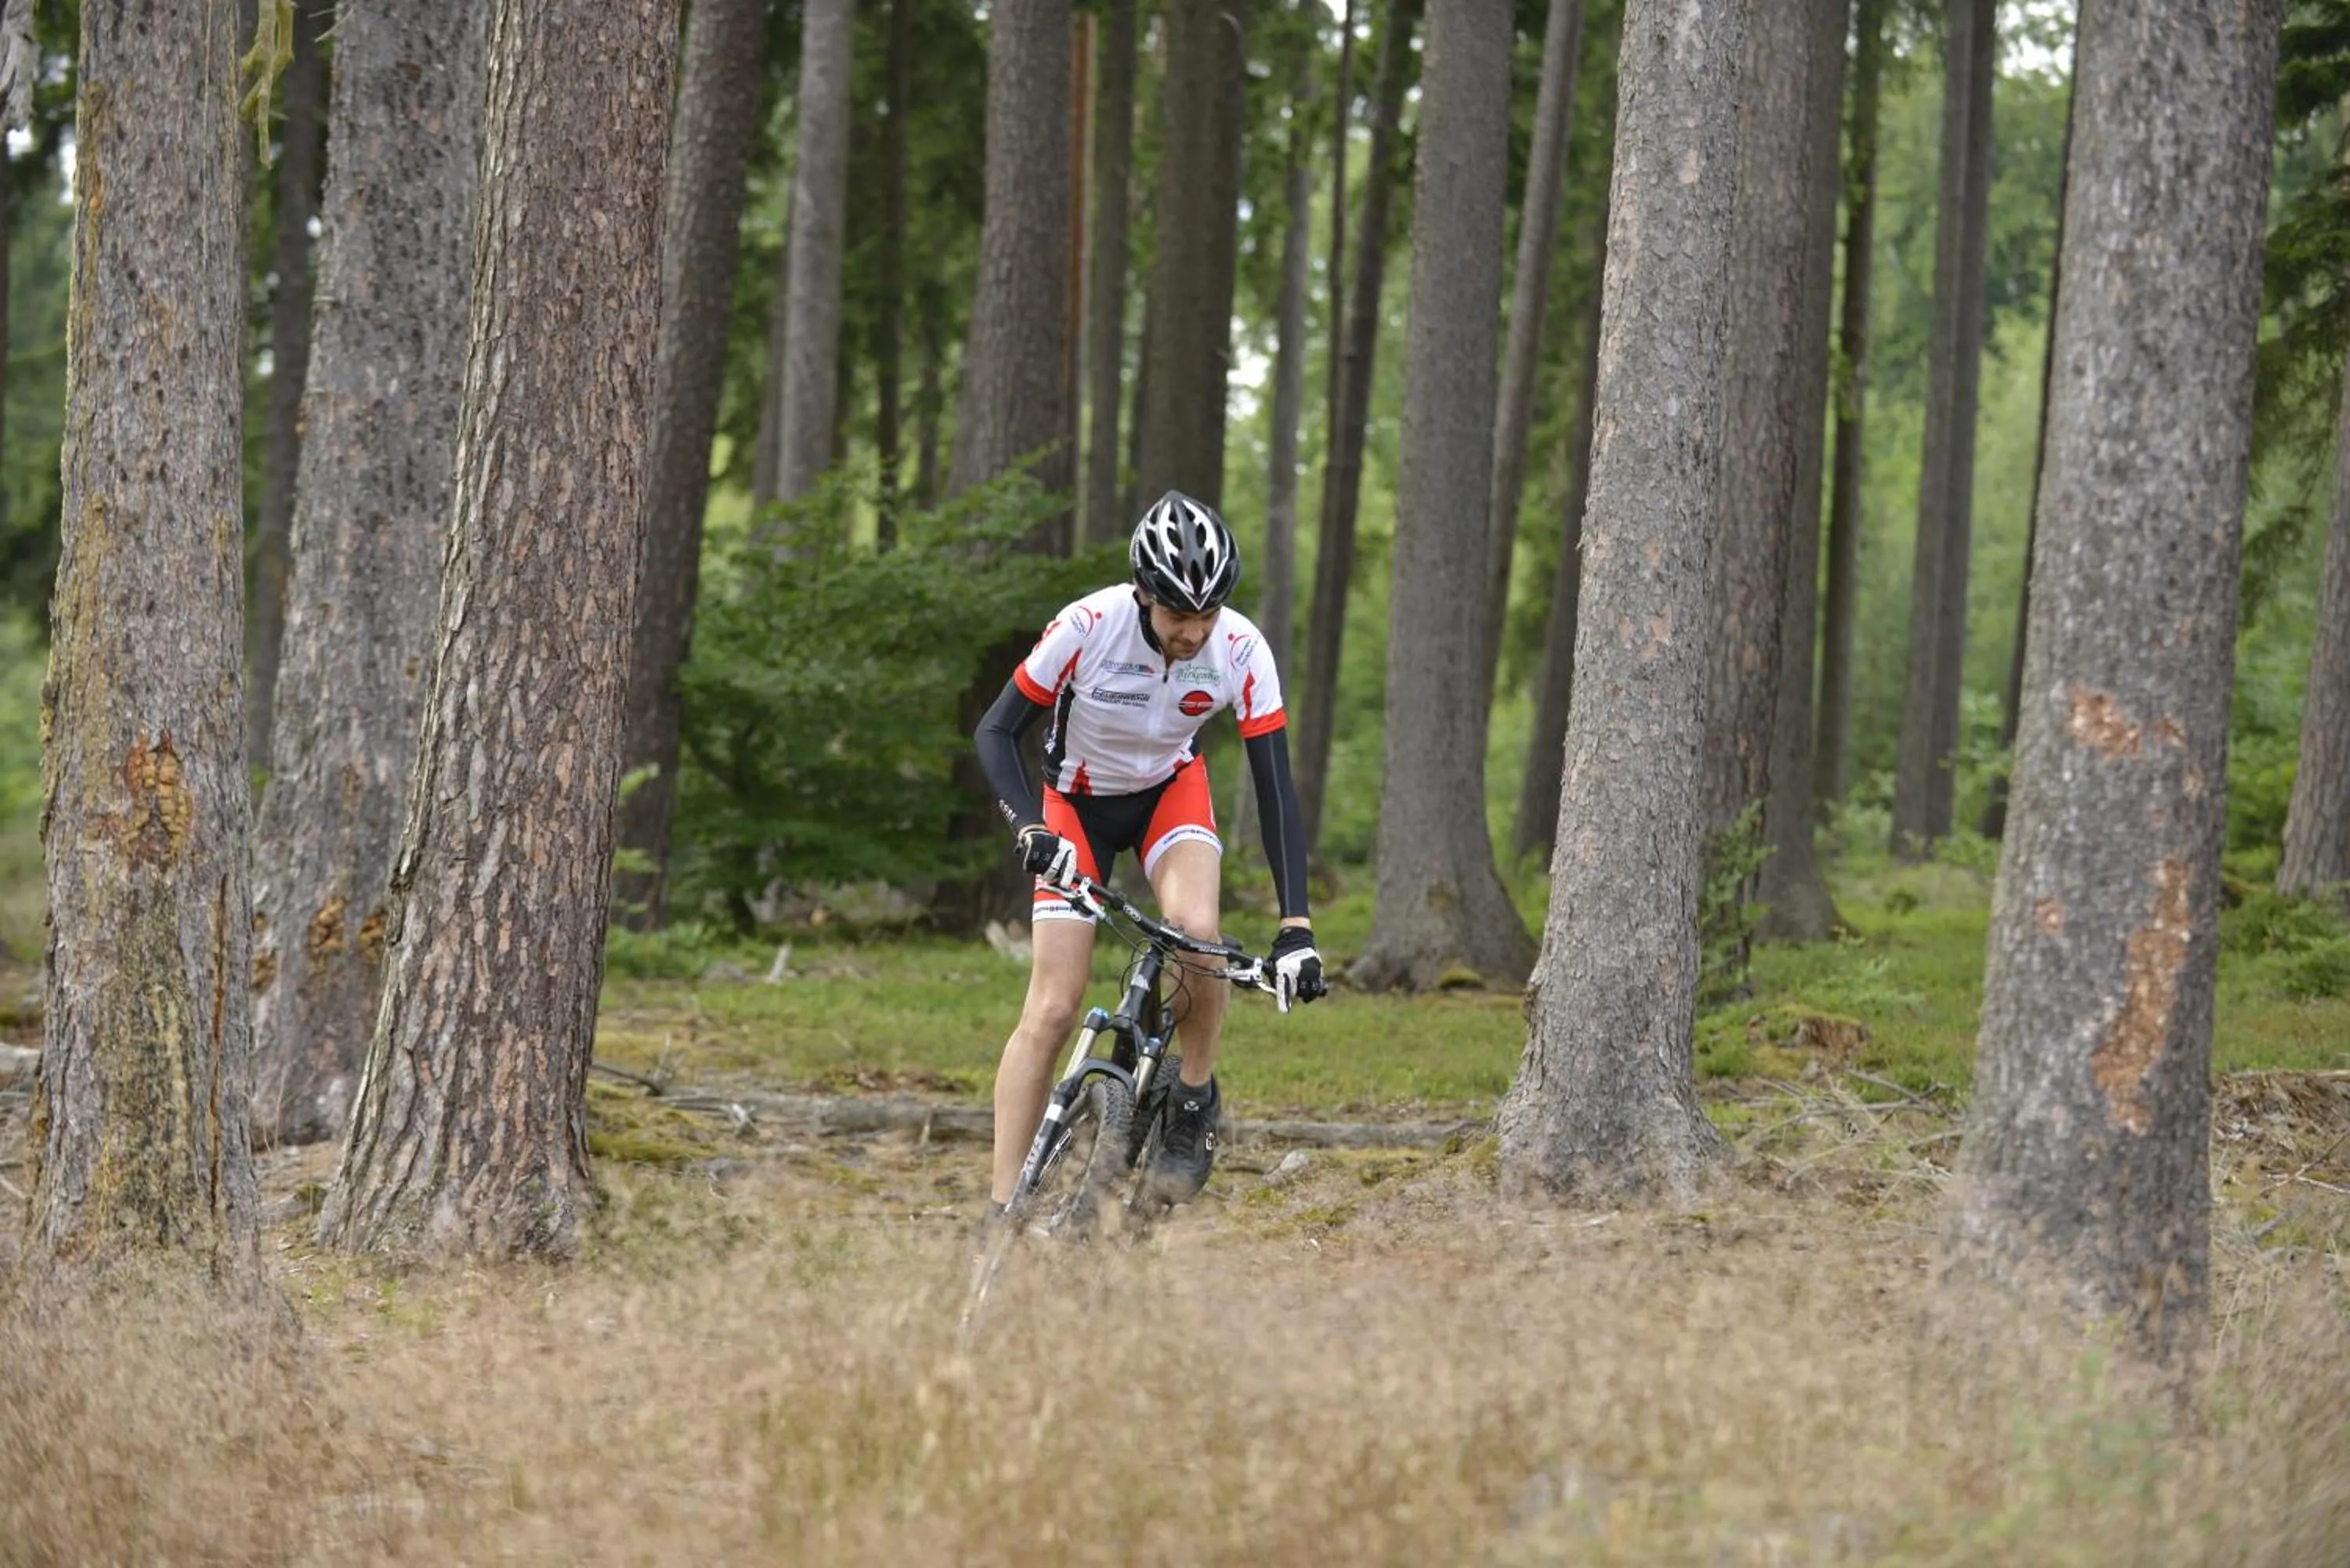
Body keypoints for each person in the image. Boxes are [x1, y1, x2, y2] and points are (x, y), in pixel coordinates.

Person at [972, 490, 1326, 1215]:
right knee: (1052, 1006)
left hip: (1170, 793)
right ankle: (1002, 1208)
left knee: (1198, 937)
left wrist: (1297, 928)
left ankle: (1192, 1099)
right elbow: (995, 732)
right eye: (1176, 616)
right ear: (1143, 596)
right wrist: (1031, 828)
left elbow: (1276, 792)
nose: (1193, 633)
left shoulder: (1242, 650)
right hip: (1073, 803)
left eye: (1207, 615)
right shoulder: (1087, 627)